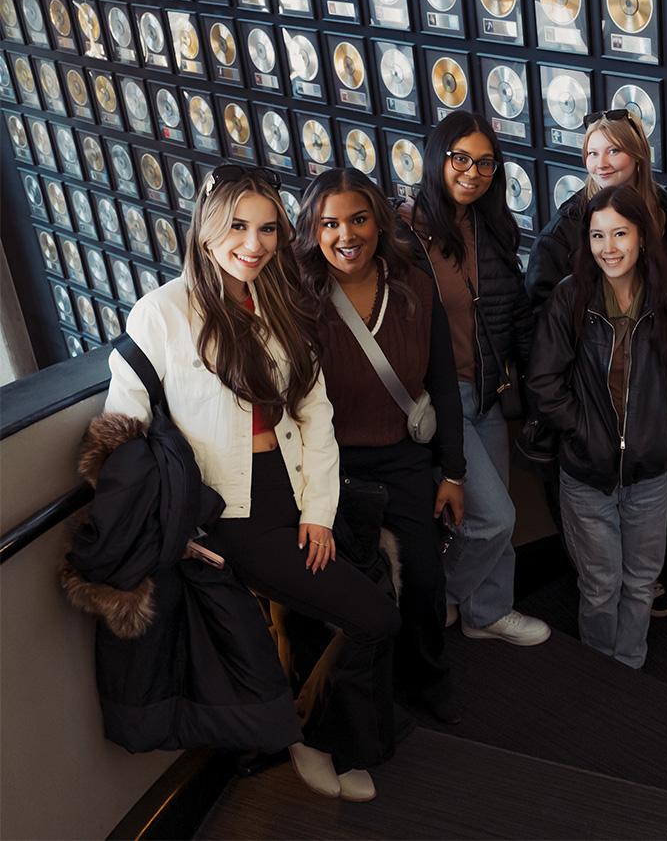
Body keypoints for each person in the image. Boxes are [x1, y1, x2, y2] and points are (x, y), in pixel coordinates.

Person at [104, 164, 400, 802]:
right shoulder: (161, 313)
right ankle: (309, 733)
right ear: (206, 228)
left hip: (297, 487)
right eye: (238, 226)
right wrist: (174, 526)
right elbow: (124, 435)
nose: (254, 243)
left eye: (267, 229)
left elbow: (314, 412)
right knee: (374, 616)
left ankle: (327, 735)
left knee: (332, 615)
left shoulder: (280, 300)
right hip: (233, 512)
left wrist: (318, 510)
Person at [293, 167, 466, 724]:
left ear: (380, 222)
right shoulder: (296, 298)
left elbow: (443, 384)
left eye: (359, 219)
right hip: (328, 466)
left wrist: (454, 473)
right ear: (312, 231)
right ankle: (366, 696)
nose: (346, 235)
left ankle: (429, 680)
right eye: (330, 224)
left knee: (423, 576)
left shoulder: (414, 285)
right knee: (349, 589)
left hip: (401, 456)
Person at [526, 185, 667, 669]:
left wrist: (656, 435)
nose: (608, 247)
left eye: (620, 234)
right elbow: (544, 383)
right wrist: (584, 432)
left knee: (642, 583)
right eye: (597, 235)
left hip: (649, 478)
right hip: (586, 476)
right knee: (600, 585)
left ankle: (630, 664)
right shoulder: (570, 297)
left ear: (643, 237)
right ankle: (601, 672)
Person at [402, 112, 551, 646]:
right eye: (461, 158)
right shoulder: (404, 235)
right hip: (439, 401)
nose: (473, 172)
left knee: (490, 515)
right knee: (494, 518)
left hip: (487, 393)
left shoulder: (491, 226)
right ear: (437, 157)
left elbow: (515, 313)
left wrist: (539, 383)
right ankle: (433, 602)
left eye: (486, 163)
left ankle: (485, 612)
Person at [526, 109, 667, 312]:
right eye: (593, 154)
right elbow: (543, 308)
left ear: (638, 153)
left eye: (613, 151)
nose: (601, 165)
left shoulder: (663, 210)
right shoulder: (566, 226)